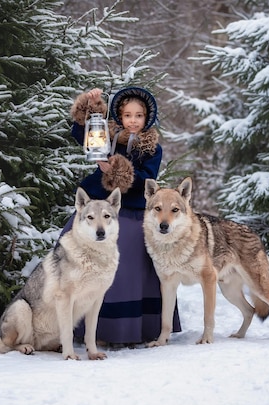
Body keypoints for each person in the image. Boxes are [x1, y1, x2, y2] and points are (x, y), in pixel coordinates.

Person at [65, 86, 182, 346]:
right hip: (98, 205)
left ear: (147, 118)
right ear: (119, 116)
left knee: (129, 261)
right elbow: (78, 131)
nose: (133, 120)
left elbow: (145, 180)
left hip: (132, 209)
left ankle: (131, 327)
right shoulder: (107, 136)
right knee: (74, 247)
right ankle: (81, 323)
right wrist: (92, 104)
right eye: (127, 115)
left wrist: (115, 168)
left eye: (138, 116)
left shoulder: (152, 148)